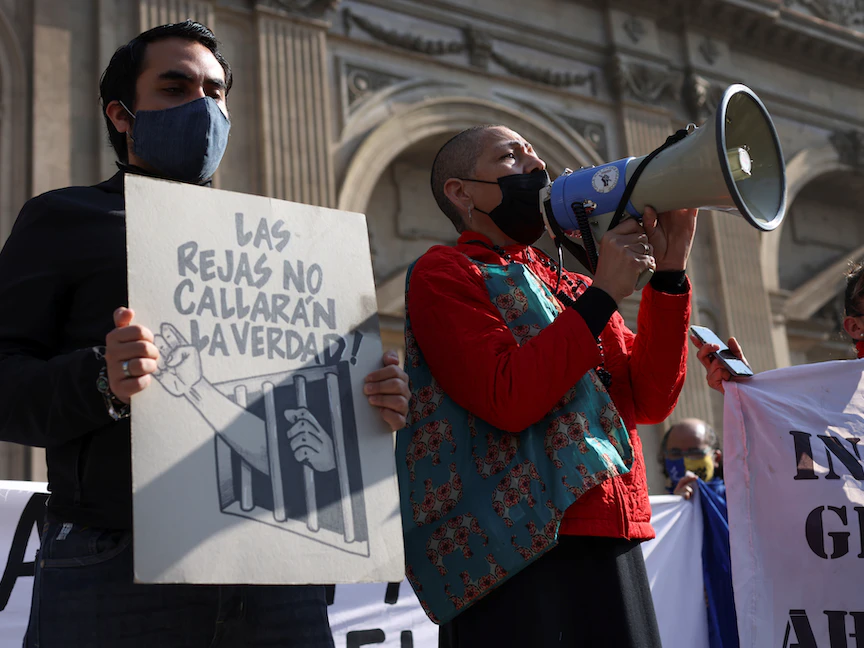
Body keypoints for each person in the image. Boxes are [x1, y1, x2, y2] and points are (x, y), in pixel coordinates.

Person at [0, 21, 410, 647]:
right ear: (122, 114)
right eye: (175, 86)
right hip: (116, 569)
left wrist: (371, 403)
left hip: (279, 578)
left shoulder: (286, 251)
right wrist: (98, 378)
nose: (203, 105)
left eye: (216, 92)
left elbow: (308, 424)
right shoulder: (64, 219)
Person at [396, 124, 697, 647]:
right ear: (461, 191)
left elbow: (649, 399)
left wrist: (669, 272)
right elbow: (507, 397)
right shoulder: (446, 272)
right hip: (520, 551)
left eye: (536, 157)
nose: (535, 168)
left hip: (612, 532)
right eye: (511, 157)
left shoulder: (573, 283)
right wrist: (604, 293)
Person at [660, 418, 725, 500]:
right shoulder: (658, 510)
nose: (685, 460)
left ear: (716, 458)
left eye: (695, 452)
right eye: (676, 453)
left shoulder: (738, 500)